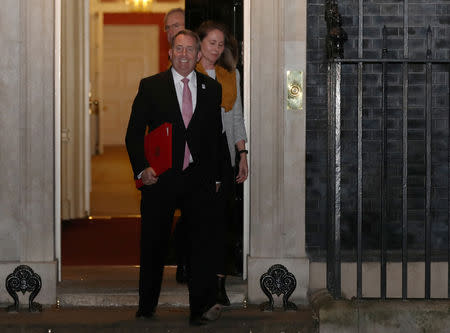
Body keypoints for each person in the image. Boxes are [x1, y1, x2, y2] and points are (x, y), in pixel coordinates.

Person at [125, 30, 224, 326]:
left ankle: (200, 309)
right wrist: (142, 169)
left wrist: (218, 175)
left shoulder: (211, 89)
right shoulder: (151, 86)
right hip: (161, 179)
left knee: (200, 245)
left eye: (189, 49)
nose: (183, 54)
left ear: (198, 56)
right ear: (169, 53)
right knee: (153, 243)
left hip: (198, 179)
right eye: (178, 48)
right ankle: (146, 307)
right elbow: (133, 134)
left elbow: (215, 137)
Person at [196, 20, 249, 307]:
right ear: (200, 44)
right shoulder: (188, 72)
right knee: (200, 223)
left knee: (221, 224)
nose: (216, 48)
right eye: (211, 42)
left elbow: (237, 117)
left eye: (220, 43)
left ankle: (219, 284)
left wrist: (242, 154)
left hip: (224, 156)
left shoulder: (232, 75)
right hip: (195, 160)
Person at [162, 7, 190, 285]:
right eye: (168, 28)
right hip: (170, 157)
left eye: (177, 25)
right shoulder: (165, 71)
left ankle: (185, 263)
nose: (171, 32)